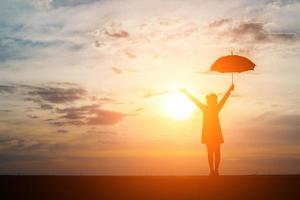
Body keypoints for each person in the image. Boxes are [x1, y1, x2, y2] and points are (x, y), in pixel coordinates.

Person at [181, 84, 234, 176]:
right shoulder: (209, 108)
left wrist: (229, 90)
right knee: (213, 152)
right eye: (212, 100)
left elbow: (223, 99)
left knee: (214, 152)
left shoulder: (210, 108)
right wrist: (186, 93)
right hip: (211, 133)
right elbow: (195, 101)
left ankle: (214, 171)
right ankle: (213, 171)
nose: (213, 101)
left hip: (212, 133)